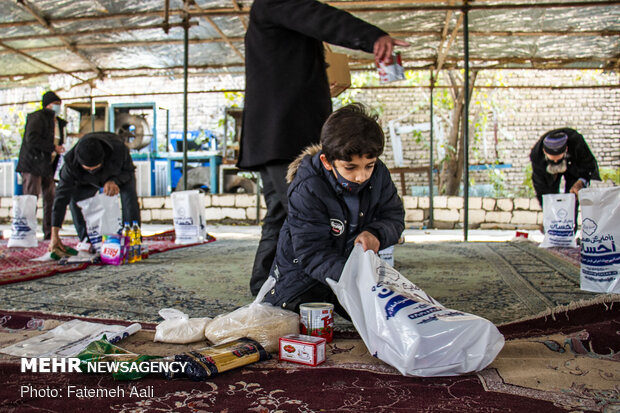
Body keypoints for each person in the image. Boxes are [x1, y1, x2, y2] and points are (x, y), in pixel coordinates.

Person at [239, 0, 408, 295]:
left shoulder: (281, 22)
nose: (362, 173)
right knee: (304, 216)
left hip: (280, 134)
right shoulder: (274, 2)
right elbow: (321, 18)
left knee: (281, 214)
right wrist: (373, 38)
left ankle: (263, 291)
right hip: (284, 135)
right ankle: (311, 289)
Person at [262, 103, 405, 318]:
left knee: (395, 315)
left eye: (369, 165)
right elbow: (312, 253)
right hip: (303, 279)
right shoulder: (307, 188)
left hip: (352, 274)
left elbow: (393, 216)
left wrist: (376, 233)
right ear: (327, 162)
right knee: (300, 323)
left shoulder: (379, 174)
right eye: (350, 168)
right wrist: (355, 280)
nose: (361, 176)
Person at [48, 132, 140, 253]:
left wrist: (114, 181)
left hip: (117, 174)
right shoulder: (70, 164)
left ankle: (132, 239)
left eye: (95, 168)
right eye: (89, 169)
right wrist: (54, 234)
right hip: (85, 181)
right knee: (74, 199)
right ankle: (86, 240)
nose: (92, 171)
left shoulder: (118, 150)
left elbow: (129, 171)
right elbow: (61, 198)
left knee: (129, 199)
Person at [16, 91, 67, 240]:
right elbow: (31, 139)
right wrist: (52, 147)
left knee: (51, 198)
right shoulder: (37, 118)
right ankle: (27, 233)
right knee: (31, 199)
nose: (58, 107)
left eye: (59, 105)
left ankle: (50, 233)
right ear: (48, 104)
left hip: (48, 166)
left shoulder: (58, 122)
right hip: (33, 164)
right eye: (55, 104)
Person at [529, 128, 600, 207]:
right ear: (544, 152)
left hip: (573, 165)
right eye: (552, 160)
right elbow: (540, 186)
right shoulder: (537, 155)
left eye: (558, 160)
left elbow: (588, 165)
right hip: (547, 171)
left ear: (566, 150)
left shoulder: (577, 144)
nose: (555, 162)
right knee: (550, 198)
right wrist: (547, 208)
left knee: (573, 197)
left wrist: (581, 181)